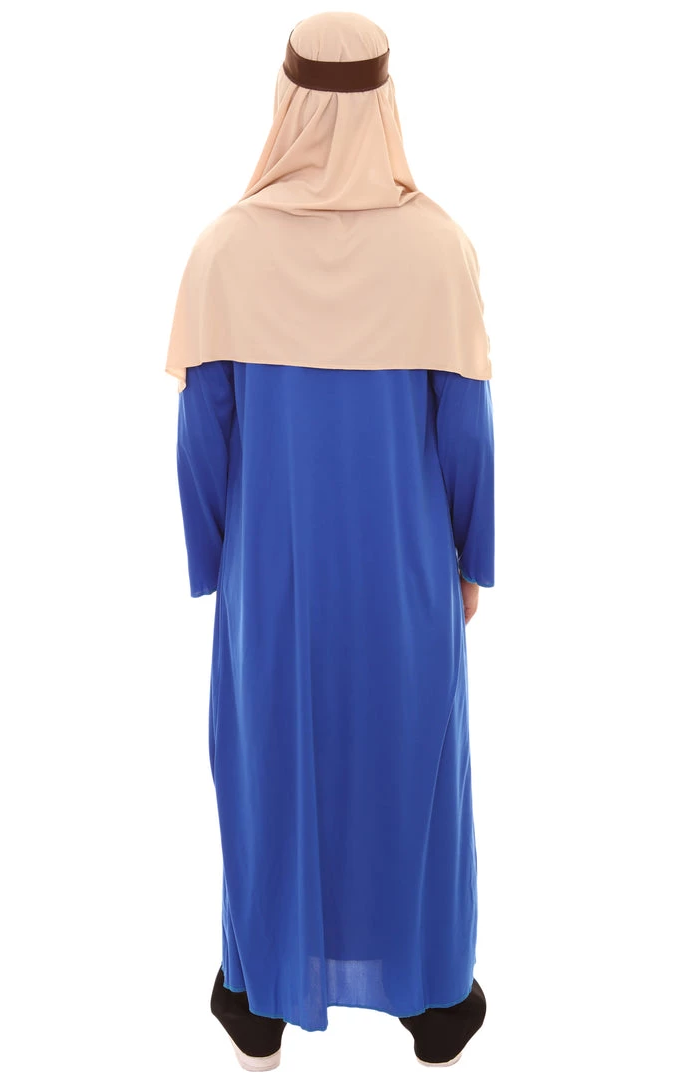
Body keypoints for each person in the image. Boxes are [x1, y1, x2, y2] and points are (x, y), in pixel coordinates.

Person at [165, 12, 494, 1070]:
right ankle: (430, 1003)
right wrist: (470, 561)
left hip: (274, 579)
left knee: (271, 771)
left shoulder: (225, 249)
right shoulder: (437, 249)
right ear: (385, 105)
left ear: (287, 102)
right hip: (406, 574)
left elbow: (202, 436)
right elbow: (466, 429)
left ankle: (259, 999)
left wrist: (221, 562)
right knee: (411, 774)